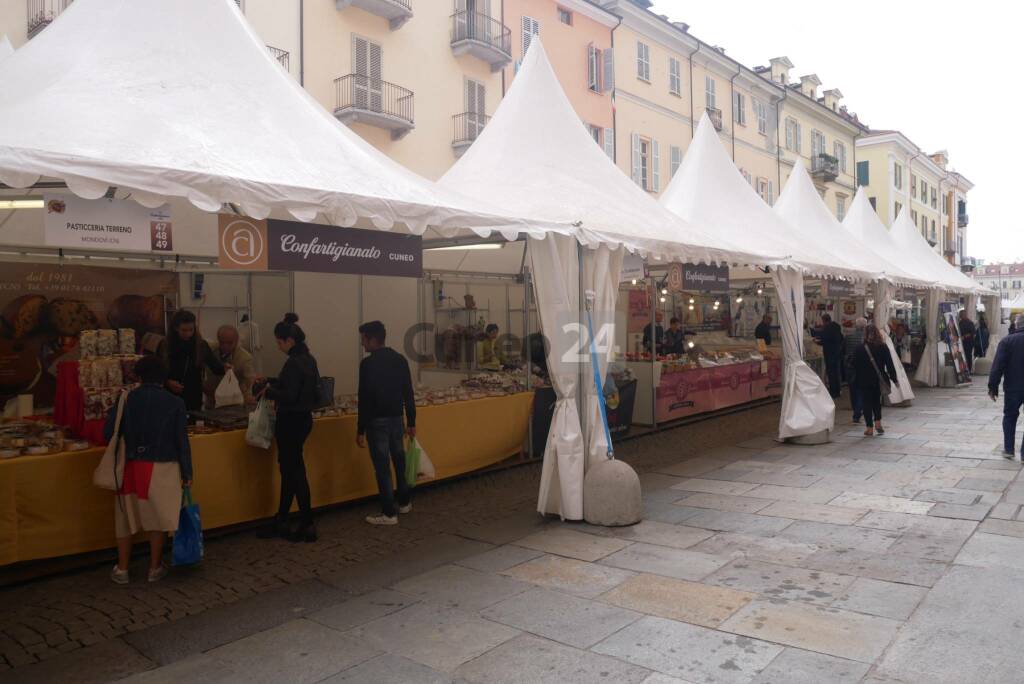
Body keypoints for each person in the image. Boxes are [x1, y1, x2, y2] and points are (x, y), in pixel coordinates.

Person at [105, 356, 191, 585]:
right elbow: (182, 441)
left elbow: (109, 432)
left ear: (139, 376)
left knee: (124, 517)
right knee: (158, 518)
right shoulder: (176, 403)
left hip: (131, 466)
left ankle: (122, 569)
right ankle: (154, 568)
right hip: (163, 466)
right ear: (164, 378)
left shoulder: (126, 399)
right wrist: (187, 473)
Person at [256, 314, 319, 542]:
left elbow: (290, 395)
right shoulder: (308, 359)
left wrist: (269, 391)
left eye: (278, 341)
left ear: (288, 341)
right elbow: (300, 387)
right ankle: (283, 518)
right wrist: (272, 381)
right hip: (303, 420)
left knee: (295, 472)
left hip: (290, 421)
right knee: (291, 470)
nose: (277, 345)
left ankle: (306, 522)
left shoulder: (293, 362)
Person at [356, 320, 416, 526]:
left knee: (382, 468)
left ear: (372, 339)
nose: (362, 344)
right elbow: (408, 392)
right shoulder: (399, 359)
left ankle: (389, 513)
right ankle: (405, 502)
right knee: (399, 462)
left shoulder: (367, 364)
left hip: (377, 422)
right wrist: (412, 420)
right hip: (397, 419)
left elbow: (364, 398)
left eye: (363, 339)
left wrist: (360, 428)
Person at [158, 310, 227, 412]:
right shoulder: (164, 345)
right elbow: (156, 370)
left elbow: (215, 367)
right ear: (176, 328)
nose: (188, 334)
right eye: (184, 330)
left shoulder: (201, 345)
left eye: (191, 329)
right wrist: (167, 382)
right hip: (169, 395)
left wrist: (225, 368)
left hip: (193, 396)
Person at [989, 314, 1024, 459]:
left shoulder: (1007, 341)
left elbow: (997, 366)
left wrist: (993, 386)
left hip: (1013, 387)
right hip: (1014, 386)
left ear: (1016, 325)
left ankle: (1009, 449)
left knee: (1009, 416)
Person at [854, 324, 899, 437]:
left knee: (866, 403)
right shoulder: (883, 347)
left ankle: (869, 428)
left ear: (865, 334)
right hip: (878, 380)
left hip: (863, 380)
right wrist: (894, 379)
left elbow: (854, 364)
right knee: (876, 402)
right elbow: (889, 365)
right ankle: (878, 423)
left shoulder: (859, 348)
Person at [203, 325, 257, 408]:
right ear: (218, 340)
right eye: (222, 342)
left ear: (236, 341)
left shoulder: (245, 358)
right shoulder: (209, 351)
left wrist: (247, 397)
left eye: (229, 343)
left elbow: (249, 381)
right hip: (212, 401)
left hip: (235, 403)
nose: (225, 346)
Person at [814, 314, 844, 398]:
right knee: (837, 371)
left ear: (824, 320)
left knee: (831, 373)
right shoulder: (837, 326)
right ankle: (838, 390)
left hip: (829, 353)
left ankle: (833, 392)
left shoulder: (826, 328)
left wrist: (816, 342)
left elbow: (824, 341)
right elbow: (841, 338)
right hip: (837, 352)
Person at [844, 317, 867, 423]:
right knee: (861, 390)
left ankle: (855, 409)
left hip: (849, 366)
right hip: (862, 367)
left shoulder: (848, 337)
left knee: (852, 390)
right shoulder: (866, 338)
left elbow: (843, 350)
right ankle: (857, 412)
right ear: (864, 327)